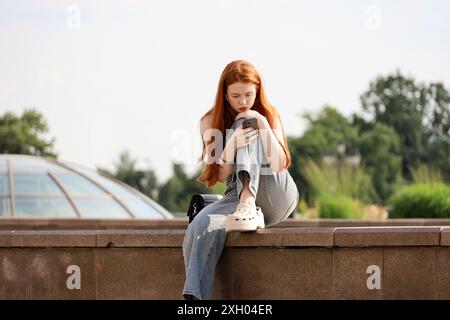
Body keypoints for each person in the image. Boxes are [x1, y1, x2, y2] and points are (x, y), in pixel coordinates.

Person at [182, 59, 299, 300]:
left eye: (249, 95)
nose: (243, 102)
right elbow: (220, 176)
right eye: (236, 96)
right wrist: (231, 144)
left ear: (258, 90)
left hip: (276, 190)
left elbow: (279, 165)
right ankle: (195, 299)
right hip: (235, 197)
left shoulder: (268, 114)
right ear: (224, 94)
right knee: (199, 225)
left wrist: (263, 124)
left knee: (248, 122)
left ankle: (249, 198)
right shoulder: (209, 122)